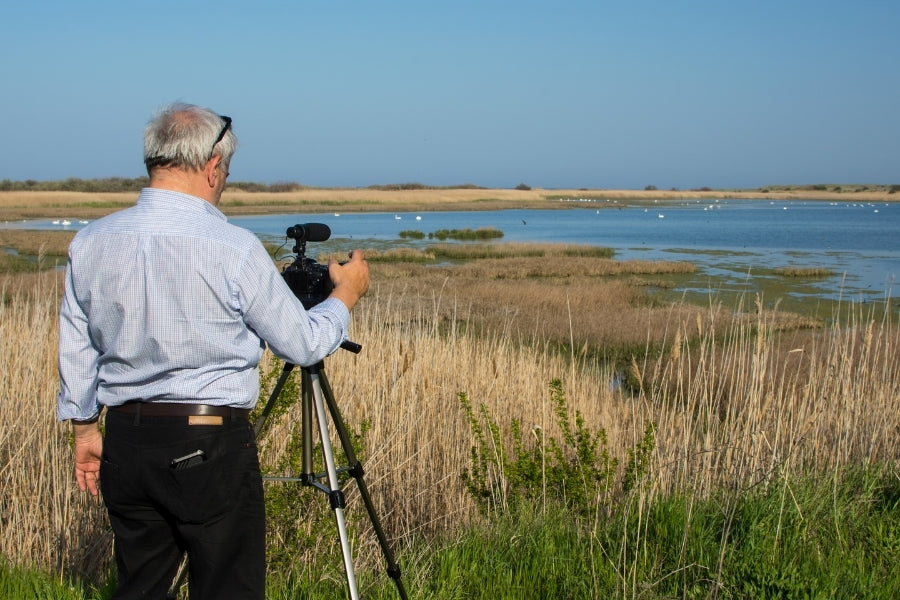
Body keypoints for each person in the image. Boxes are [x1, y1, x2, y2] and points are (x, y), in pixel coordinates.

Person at [57, 102, 370, 599]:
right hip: (208, 442)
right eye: (226, 170)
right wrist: (345, 294)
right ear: (211, 167)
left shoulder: (91, 242)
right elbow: (304, 344)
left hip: (125, 441)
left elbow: (77, 344)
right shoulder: (233, 247)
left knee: (138, 587)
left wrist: (83, 430)